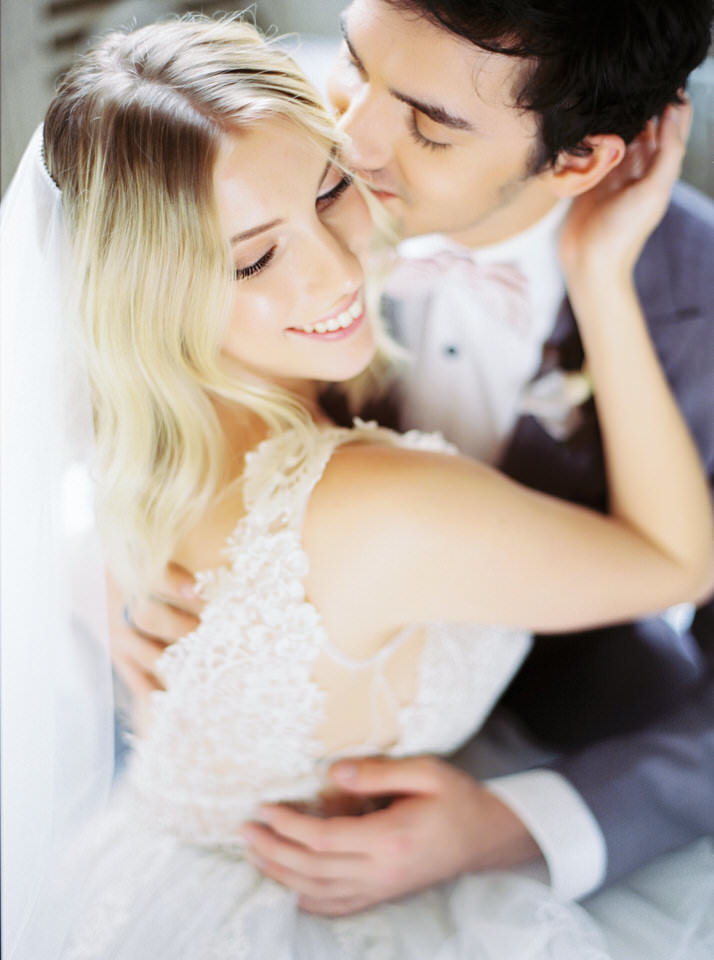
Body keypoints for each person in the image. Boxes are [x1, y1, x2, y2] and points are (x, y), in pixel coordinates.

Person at [3, 12, 712, 960]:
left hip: (551, 756)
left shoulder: (276, 160)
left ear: (580, 161)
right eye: (351, 59)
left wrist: (523, 822)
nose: (360, 141)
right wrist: (109, 587)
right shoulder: (246, 129)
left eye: (426, 121)